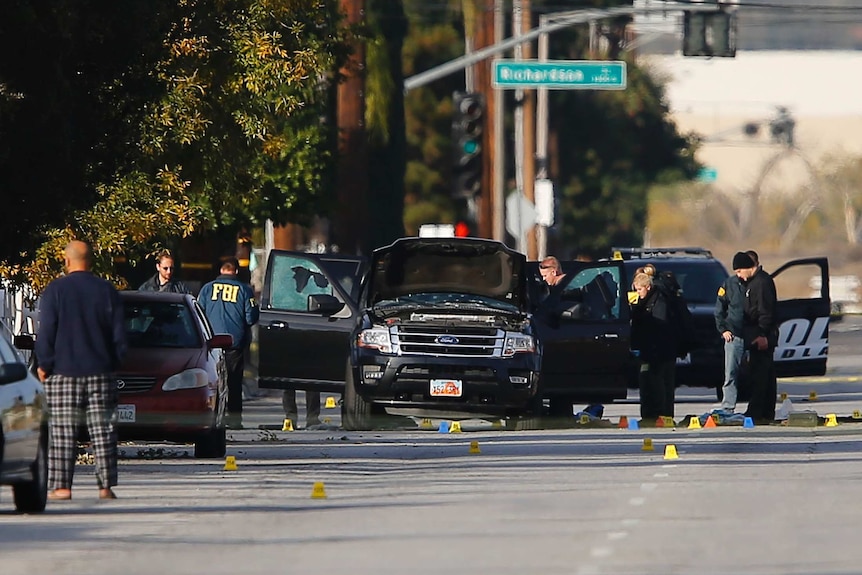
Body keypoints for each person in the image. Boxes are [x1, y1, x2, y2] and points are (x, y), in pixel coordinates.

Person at [35, 240, 127, 501]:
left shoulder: (56, 291)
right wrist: (114, 363)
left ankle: (62, 486)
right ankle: (105, 486)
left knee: (63, 430)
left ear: (67, 261)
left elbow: (47, 332)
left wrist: (44, 364)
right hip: (100, 370)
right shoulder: (106, 291)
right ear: (92, 261)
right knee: (103, 430)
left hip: (63, 372)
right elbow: (119, 335)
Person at [198, 256, 260, 429]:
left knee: (212, 382)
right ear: (236, 271)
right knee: (234, 382)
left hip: (211, 343)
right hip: (234, 343)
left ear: (221, 270)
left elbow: (199, 314)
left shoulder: (207, 289)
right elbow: (251, 317)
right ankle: (234, 420)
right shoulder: (244, 290)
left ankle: (212, 419)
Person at [735, 251, 779, 423]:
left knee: (759, 375)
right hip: (756, 333)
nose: (738, 275)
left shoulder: (761, 283)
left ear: (748, 268)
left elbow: (765, 312)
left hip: (761, 335)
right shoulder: (754, 282)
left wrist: (762, 335)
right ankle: (765, 411)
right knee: (764, 374)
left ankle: (758, 411)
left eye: (739, 271)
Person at [630, 271, 678, 422]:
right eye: (636, 290)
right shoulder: (644, 302)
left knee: (660, 383)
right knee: (646, 381)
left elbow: (659, 326)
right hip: (648, 350)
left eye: (639, 289)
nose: (638, 293)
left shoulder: (659, 301)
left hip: (660, 351)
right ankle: (649, 414)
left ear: (648, 287)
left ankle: (661, 415)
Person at [714, 253, 748, 412]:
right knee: (731, 373)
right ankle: (728, 406)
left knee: (755, 373)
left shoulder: (755, 283)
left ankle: (756, 406)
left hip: (751, 334)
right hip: (733, 335)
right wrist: (723, 330)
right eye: (737, 270)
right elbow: (719, 310)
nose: (739, 274)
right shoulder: (728, 284)